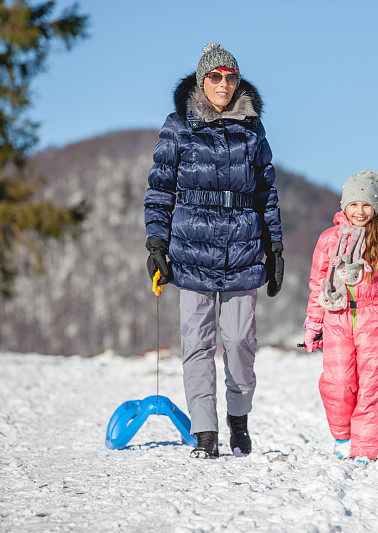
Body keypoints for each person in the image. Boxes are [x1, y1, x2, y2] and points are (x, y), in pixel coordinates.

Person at [144, 43, 283, 459]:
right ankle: (205, 433)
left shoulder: (253, 129)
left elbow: (266, 191)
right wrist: (156, 243)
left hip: (243, 248)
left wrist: (274, 247)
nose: (223, 84)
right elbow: (160, 189)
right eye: (215, 77)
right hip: (191, 250)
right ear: (202, 81)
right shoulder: (178, 126)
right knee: (197, 344)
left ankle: (238, 419)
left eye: (230, 77)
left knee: (240, 342)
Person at [303, 170, 378, 463]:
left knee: (373, 386)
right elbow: (317, 284)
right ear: (344, 206)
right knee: (337, 384)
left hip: (374, 318)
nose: (360, 211)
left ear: (375, 207)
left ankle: (364, 450)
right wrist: (314, 322)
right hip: (336, 318)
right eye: (354, 204)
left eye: (366, 205)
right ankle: (343, 437)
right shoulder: (328, 240)